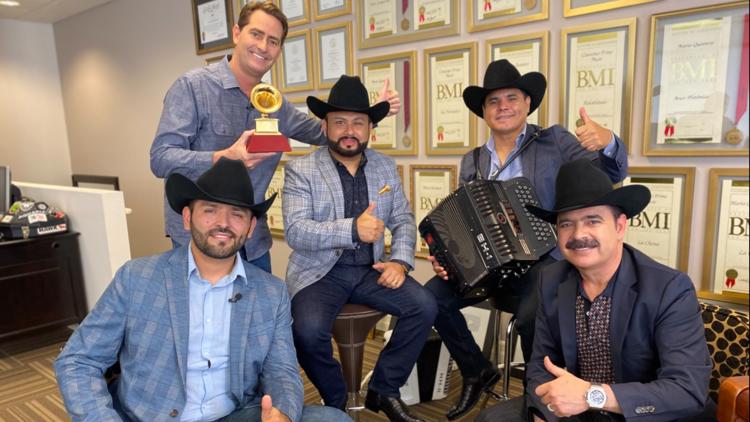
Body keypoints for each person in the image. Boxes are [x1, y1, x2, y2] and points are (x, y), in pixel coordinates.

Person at [55, 158, 350, 422]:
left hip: (233, 414)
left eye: (237, 214)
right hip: (149, 416)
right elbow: (78, 360)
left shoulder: (271, 293)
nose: (223, 223)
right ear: (187, 218)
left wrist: (281, 414)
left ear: (250, 227)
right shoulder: (136, 278)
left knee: (334, 419)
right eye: (210, 210)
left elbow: (282, 370)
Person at [424, 59, 629, 420]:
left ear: (527, 104)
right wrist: (446, 258)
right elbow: (460, 224)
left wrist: (608, 142)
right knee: (428, 299)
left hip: (544, 261)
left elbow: (610, 173)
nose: (503, 106)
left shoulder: (554, 141)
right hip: (490, 268)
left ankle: (544, 401)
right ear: (484, 111)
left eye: (511, 98)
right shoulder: (472, 161)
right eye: (493, 101)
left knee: (533, 313)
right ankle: (476, 370)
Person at [150, 1, 399, 273]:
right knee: (204, 315)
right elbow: (161, 159)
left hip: (251, 241)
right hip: (199, 241)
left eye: (273, 41)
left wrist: (373, 113)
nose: (263, 47)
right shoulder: (193, 87)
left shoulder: (275, 103)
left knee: (263, 314)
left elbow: (324, 132)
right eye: (256, 34)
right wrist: (223, 157)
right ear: (236, 33)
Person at [477, 159, 711, 422]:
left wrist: (592, 395)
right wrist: (543, 414)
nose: (579, 234)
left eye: (593, 220)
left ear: (620, 226)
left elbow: (687, 390)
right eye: (566, 224)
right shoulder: (551, 279)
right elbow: (540, 366)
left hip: (643, 412)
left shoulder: (669, 288)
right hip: (582, 409)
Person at [282, 75, 437, 422]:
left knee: (425, 306)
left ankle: (384, 389)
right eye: (339, 122)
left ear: (370, 128)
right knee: (305, 332)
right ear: (325, 125)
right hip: (320, 272)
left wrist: (399, 261)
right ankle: (336, 402)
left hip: (372, 268)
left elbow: (404, 219)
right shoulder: (301, 169)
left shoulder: (384, 166)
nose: (348, 130)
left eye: (357, 122)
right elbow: (295, 231)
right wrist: (352, 228)